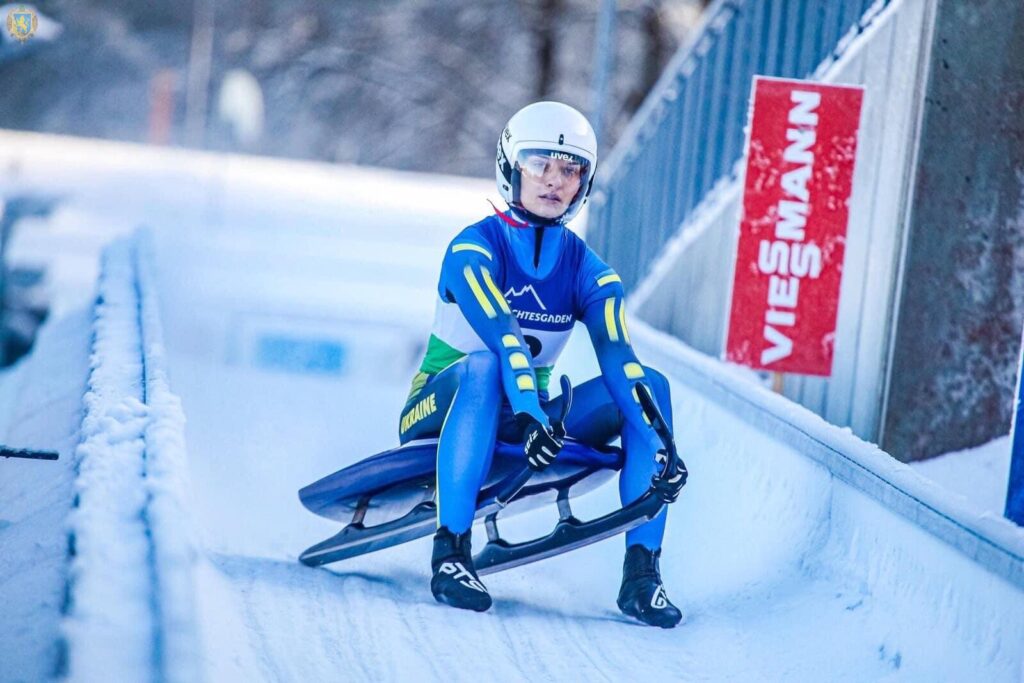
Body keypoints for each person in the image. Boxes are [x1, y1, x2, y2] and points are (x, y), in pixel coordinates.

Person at [397, 101, 687, 628]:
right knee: (484, 367)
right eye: (539, 164)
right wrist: (531, 412)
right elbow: (504, 337)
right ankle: (451, 553)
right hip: (441, 408)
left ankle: (642, 576)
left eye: (570, 169)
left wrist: (662, 445)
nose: (554, 180)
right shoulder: (471, 250)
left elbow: (619, 359)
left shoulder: (592, 275)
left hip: (528, 419)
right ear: (511, 168)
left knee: (651, 387)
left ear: (584, 183)